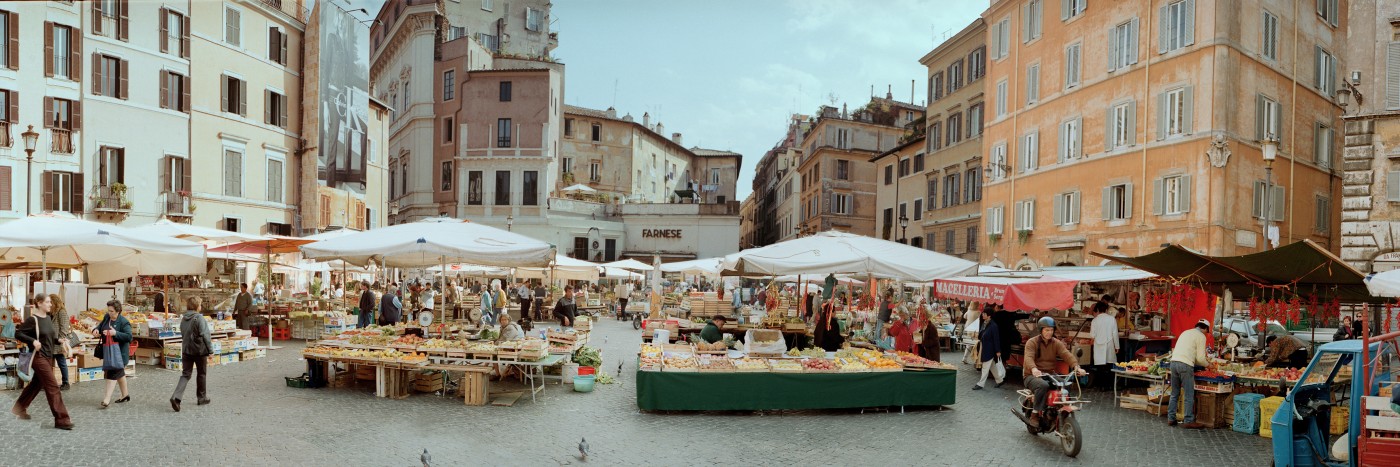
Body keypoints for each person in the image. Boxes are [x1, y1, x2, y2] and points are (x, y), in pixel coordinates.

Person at [10, 294, 74, 430]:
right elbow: (18, 334)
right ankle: (62, 419)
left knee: (36, 384)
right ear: (39, 303)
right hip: (38, 357)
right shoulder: (32, 320)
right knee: (53, 387)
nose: (50, 304)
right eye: (48, 302)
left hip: (48, 356)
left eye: (50, 302)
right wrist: (32, 341)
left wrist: (59, 340)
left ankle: (19, 408)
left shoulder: (48, 318)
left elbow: (49, 337)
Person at [1023, 317, 1086, 427]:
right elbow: (1028, 357)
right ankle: (1035, 414)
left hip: (1049, 373)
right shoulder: (1031, 342)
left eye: (1051, 330)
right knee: (1043, 385)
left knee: (1065, 384)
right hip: (1031, 375)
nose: (1049, 332)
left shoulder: (1056, 343)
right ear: (1041, 330)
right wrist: (1034, 369)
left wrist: (1076, 367)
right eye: (1047, 330)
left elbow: (1066, 354)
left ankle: (1060, 410)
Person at [171, 297, 213, 412]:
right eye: (200, 305)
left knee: (185, 374)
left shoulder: (184, 318)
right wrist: (210, 351)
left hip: (186, 350)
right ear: (196, 306)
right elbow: (205, 335)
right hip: (199, 351)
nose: (201, 307)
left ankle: (176, 397)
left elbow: (182, 332)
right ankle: (201, 398)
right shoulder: (199, 318)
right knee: (201, 373)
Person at [1168, 319, 1212, 429]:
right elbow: (1201, 359)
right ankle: (1188, 420)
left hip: (1173, 363)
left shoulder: (1185, 332)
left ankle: (1171, 418)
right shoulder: (1201, 336)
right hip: (1185, 365)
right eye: (1207, 331)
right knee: (1189, 394)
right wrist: (1209, 365)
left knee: (1174, 392)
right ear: (1206, 328)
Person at [96, 300, 132, 409]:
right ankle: (125, 395)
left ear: (118, 311)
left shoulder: (124, 322)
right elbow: (100, 326)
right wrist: (96, 330)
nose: (109, 313)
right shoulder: (107, 317)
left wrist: (115, 333)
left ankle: (106, 399)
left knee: (112, 373)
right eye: (108, 310)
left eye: (112, 311)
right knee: (119, 373)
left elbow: (129, 337)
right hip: (108, 351)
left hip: (119, 354)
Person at [1089, 302, 1120, 389]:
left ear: (1098, 310)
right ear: (1106, 310)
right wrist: (1117, 346)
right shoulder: (1112, 319)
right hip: (1110, 344)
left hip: (1098, 346)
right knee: (1109, 366)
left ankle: (1101, 386)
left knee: (1100, 366)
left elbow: (1092, 335)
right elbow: (1115, 334)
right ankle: (1109, 385)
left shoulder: (1094, 320)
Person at [973, 308, 1004, 390]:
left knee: (985, 367)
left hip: (989, 349)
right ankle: (1000, 380)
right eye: (983, 313)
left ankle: (980, 384)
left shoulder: (993, 326)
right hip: (986, 348)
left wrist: (998, 350)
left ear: (989, 316)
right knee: (992, 366)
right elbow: (982, 335)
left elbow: (996, 339)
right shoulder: (985, 323)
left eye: (984, 314)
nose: (983, 315)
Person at [49, 294, 73, 390]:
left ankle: (66, 383)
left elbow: (64, 327)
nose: (49, 304)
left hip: (59, 342)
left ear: (54, 302)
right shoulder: (51, 312)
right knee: (49, 364)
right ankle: (49, 383)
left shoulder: (61, 312)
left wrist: (61, 340)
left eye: (50, 302)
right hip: (51, 342)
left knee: (61, 363)